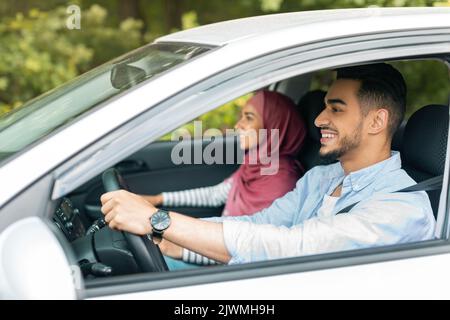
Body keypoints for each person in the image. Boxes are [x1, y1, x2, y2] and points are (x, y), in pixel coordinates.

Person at [100, 63, 436, 270]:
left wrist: (158, 221)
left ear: (377, 121)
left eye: (336, 109)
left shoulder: (401, 207)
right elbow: (259, 225)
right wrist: (175, 239)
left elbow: (290, 248)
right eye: (323, 107)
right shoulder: (321, 177)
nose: (319, 119)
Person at [143, 90, 307, 217]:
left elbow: (243, 245)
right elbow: (215, 195)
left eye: (249, 118)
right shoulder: (257, 163)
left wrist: (174, 243)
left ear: (274, 125)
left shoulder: (281, 184)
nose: (238, 125)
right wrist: (158, 199)